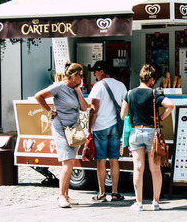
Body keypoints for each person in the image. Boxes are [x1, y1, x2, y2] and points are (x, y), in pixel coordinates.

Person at [120, 64, 174, 211]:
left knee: (138, 168)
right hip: (152, 133)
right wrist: (161, 118)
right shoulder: (154, 93)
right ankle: (155, 202)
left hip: (136, 133)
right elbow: (170, 105)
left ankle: (138, 203)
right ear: (151, 80)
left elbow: (122, 115)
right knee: (155, 169)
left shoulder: (130, 93)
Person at [35, 62, 88, 208]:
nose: (82, 78)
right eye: (81, 76)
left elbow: (84, 107)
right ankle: (61, 196)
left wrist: (78, 91)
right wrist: (49, 111)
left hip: (72, 129)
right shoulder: (59, 87)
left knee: (70, 162)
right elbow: (38, 96)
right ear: (74, 76)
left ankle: (66, 194)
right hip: (61, 128)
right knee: (67, 162)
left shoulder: (74, 89)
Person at [88, 61, 127, 202]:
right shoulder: (121, 85)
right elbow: (125, 105)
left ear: (102, 71)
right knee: (114, 159)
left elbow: (93, 109)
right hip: (116, 127)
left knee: (101, 161)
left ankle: (102, 193)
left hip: (100, 127)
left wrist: (89, 128)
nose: (94, 74)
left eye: (95, 71)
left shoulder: (98, 86)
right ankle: (115, 192)